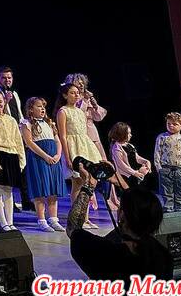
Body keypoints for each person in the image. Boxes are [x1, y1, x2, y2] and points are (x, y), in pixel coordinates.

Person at [67, 163, 173, 296]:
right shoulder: (164, 256)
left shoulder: (106, 253)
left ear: (122, 215)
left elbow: (73, 227)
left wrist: (88, 186)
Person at [54, 81, 102, 229]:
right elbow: (63, 136)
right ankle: (78, 219)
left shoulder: (80, 112)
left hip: (84, 146)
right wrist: (68, 157)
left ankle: (86, 218)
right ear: (65, 95)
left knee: (88, 182)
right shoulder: (63, 111)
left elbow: (84, 133)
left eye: (77, 93)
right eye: (72, 93)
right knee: (78, 183)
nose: (76, 95)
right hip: (72, 147)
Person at [69, 72, 119, 211]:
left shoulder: (88, 97)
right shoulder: (72, 101)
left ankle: (111, 200)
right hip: (81, 136)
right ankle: (89, 201)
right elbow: (76, 115)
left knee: (105, 166)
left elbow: (99, 117)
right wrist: (84, 101)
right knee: (87, 171)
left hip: (93, 134)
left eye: (82, 82)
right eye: (77, 81)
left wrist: (94, 104)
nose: (80, 84)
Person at [20, 97, 67, 232]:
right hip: (38, 158)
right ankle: (41, 220)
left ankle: (53, 219)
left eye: (43, 106)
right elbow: (29, 143)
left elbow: (57, 141)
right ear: (31, 109)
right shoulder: (26, 123)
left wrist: (58, 155)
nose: (42, 109)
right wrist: (45, 156)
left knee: (53, 189)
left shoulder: (49, 123)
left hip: (53, 158)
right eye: (39, 106)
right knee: (40, 189)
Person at [0, 89, 26, 231]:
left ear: (4, 101)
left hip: (12, 155)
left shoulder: (11, 120)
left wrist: (21, 159)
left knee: (9, 190)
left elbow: (18, 140)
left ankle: (10, 222)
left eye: (0, 102)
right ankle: (3, 222)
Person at [153, 112, 181, 212]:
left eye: (174, 124)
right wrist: (159, 167)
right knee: (166, 191)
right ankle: (168, 208)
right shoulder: (162, 137)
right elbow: (157, 152)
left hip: (180, 169)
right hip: (166, 168)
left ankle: (180, 208)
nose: (171, 126)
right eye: (169, 123)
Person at [109, 122, 152, 189]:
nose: (131, 135)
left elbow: (137, 158)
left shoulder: (130, 145)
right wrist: (134, 173)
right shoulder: (116, 147)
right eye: (128, 133)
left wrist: (146, 161)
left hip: (133, 173)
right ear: (122, 134)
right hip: (125, 176)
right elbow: (121, 164)